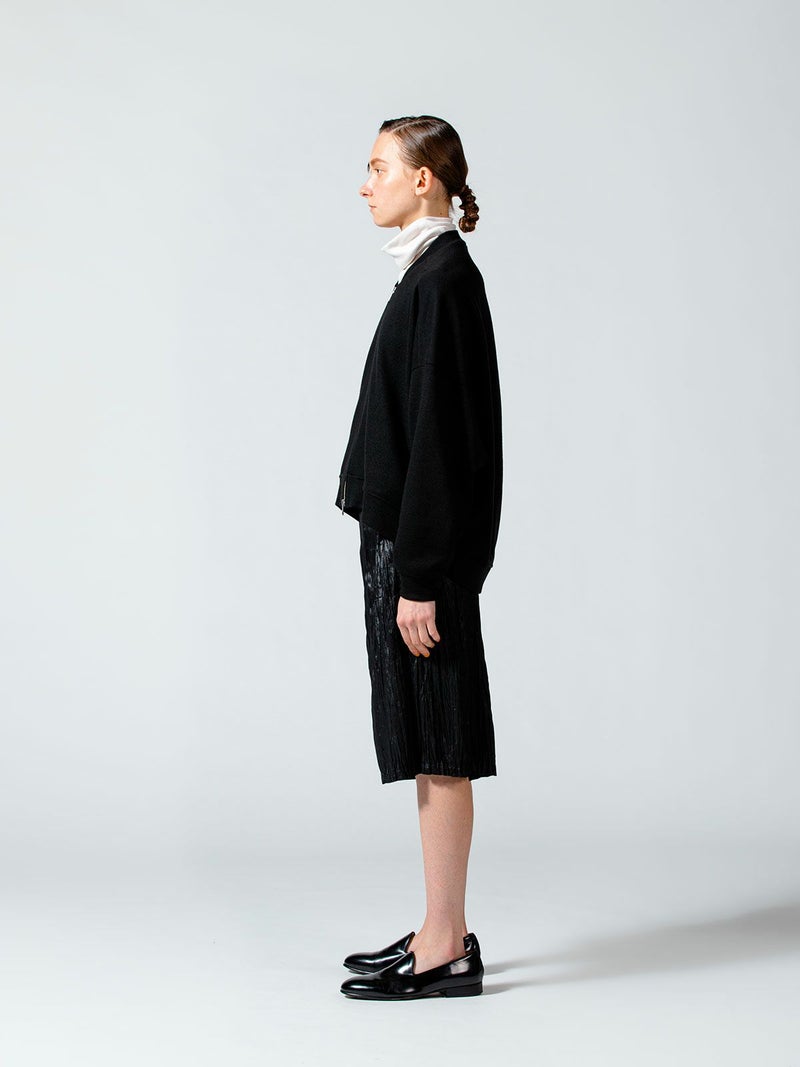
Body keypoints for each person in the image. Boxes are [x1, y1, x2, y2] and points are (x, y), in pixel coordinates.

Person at [334, 115, 503, 1000]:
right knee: (432, 741)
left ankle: (445, 945)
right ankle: (442, 927)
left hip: (421, 557)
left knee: (443, 740)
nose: (366, 185)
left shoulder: (442, 281)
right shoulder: (429, 275)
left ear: (425, 179)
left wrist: (422, 580)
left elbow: (445, 442)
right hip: (411, 548)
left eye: (378, 168)